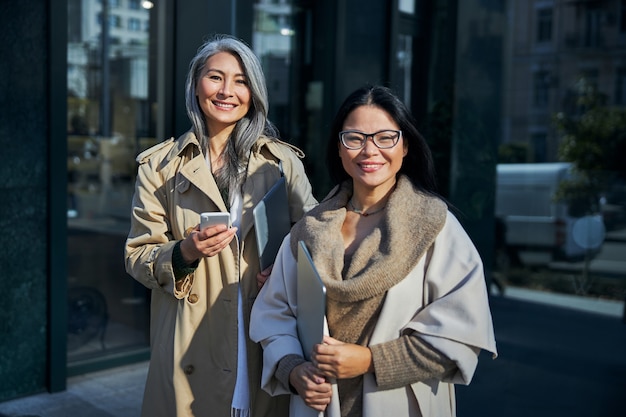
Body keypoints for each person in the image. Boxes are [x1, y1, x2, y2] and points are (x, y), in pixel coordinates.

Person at [249, 85, 497, 417]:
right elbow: (273, 317)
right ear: (339, 148)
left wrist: (369, 361)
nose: (369, 150)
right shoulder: (309, 230)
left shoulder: (436, 227)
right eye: (354, 138)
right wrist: (294, 370)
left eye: (385, 137)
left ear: (405, 145)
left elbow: (460, 334)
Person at [124, 34, 317, 417]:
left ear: (253, 92)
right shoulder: (160, 167)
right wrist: (186, 252)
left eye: (241, 80)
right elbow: (137, 255)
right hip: (190, 343)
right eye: (216, 77)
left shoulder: (280, 162)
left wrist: (285, 267)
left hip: (263, 333)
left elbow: (314, 240)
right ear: (197, 86)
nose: (228, 90)